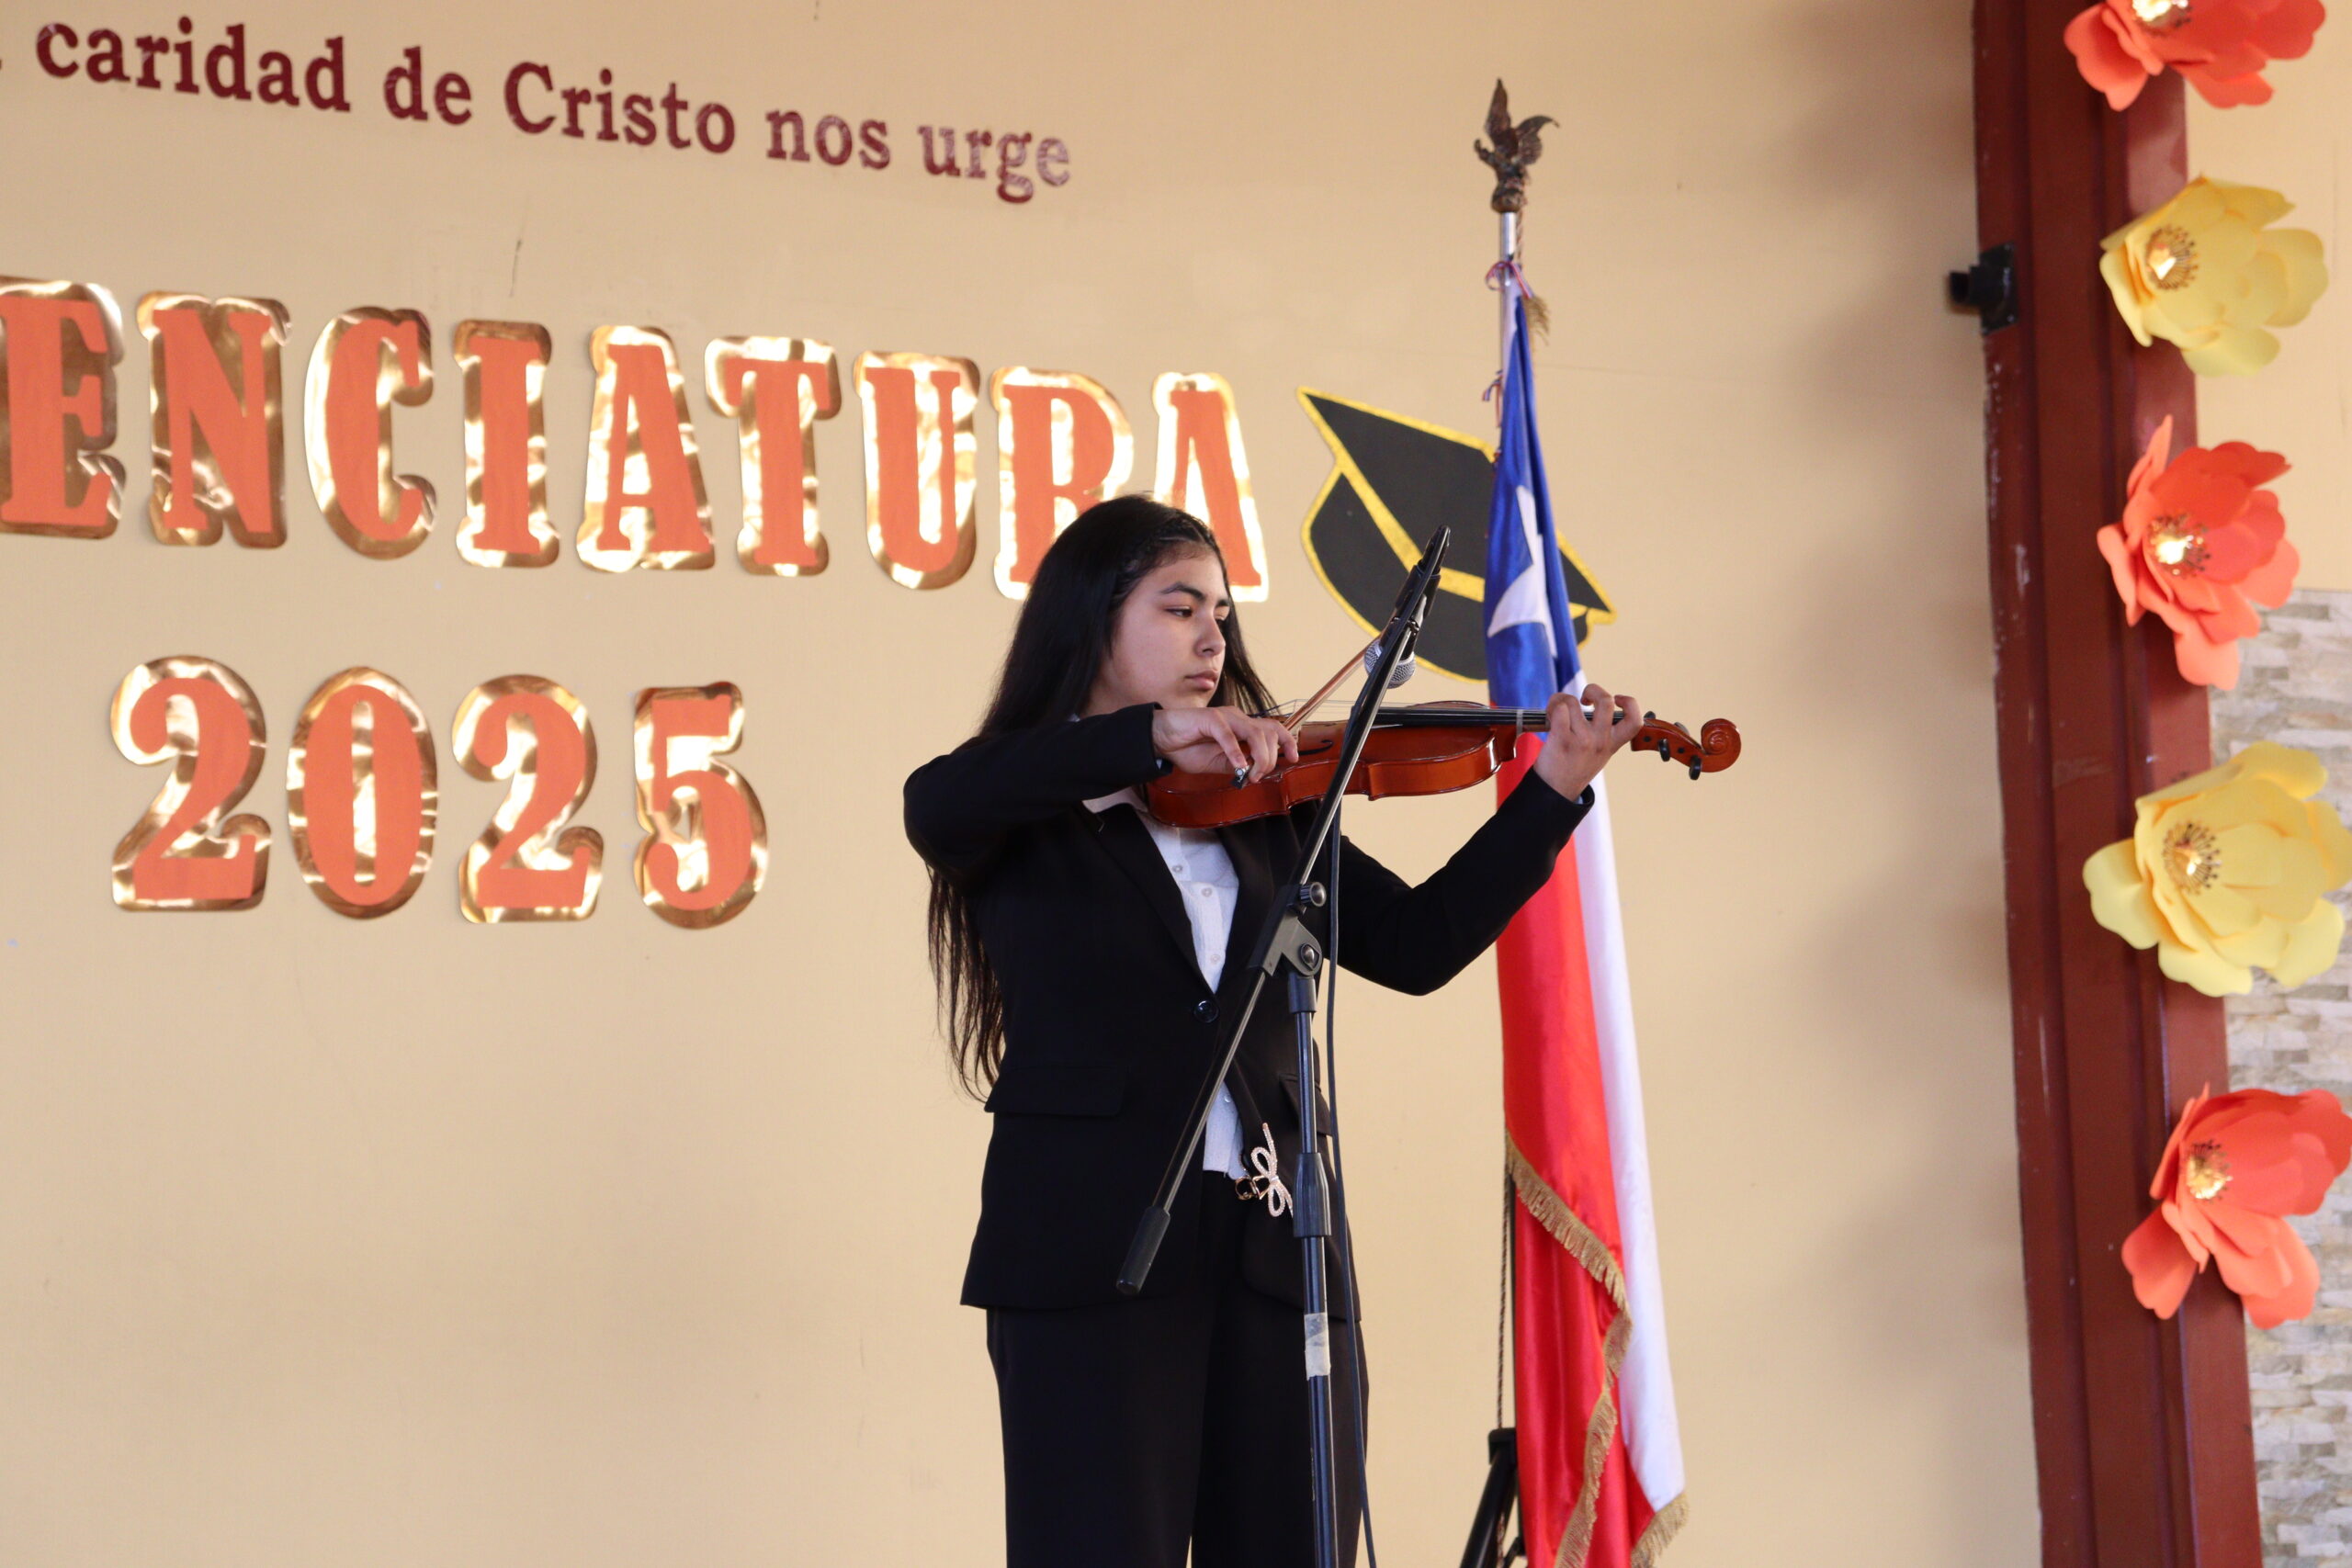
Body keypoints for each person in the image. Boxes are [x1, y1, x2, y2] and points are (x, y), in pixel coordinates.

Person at [903, 495, 1642, 1568]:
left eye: (1221, 613)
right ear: (1089, 623)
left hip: (1276, 1248)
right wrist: (1142, 739)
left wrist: (1554, 792)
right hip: (1088, 1254)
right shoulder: (1019, 808)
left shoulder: (1265, 805)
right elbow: (934, 802)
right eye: (1179, 609)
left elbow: (1417, 944)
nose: (1212, 638)